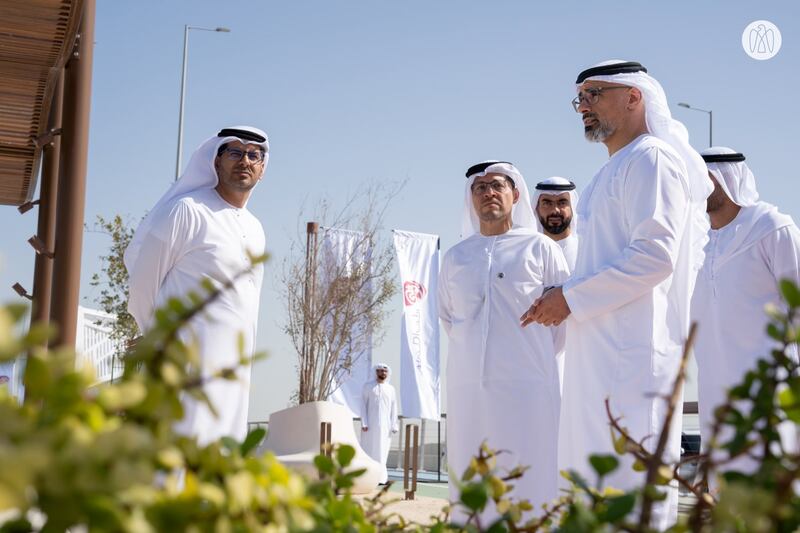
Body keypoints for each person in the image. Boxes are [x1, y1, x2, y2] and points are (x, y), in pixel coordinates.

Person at [522, 60, 712, 528]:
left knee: (631, 487)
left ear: (634, 97)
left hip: (631, 359)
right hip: (600, 355)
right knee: (592, 487)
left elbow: (654, 256)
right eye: (579, 98)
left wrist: (569, 298)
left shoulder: (652, 158)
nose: (583, 106)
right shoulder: (612, 170)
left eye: (595, 94)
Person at [439, 161, 569, 521]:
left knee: (529, 473)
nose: (488, 193)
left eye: (497, 185)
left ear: (516, 194)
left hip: (528, 388)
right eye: (479, 188)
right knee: (471, 473)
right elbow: (451, 319)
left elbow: (561, 325)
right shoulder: (455, 258)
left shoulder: (541, 249)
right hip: (468, 390)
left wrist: (524, 358)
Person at [124, 126, 269, 446]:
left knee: (220, 457)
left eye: (253, 155)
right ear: (215, 161)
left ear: (262, 168)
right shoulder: (187, 210)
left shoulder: (256, 229)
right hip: (183, 363)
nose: (244, 160)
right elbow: (143, 283)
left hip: (233, 369)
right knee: (176, 452)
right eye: (234, 152)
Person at [692, 147, 800, 485]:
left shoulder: (772, 228)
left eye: (706, 178)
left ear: (729, 178)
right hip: (715, 392)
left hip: (769, 389)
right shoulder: (697, 242)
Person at [360, 363, 399, 484]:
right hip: (369, 426)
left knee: (383, 451)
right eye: (380, 371)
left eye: (385, 371)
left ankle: (381, 478)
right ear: (376, 372)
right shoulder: (368, 387)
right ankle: (368, 477)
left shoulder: (391, 389)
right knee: (369, 450)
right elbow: (362, 405)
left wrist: (394, 425)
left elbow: (394, 408)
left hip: (385, 427)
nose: (383, 373)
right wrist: (364, 423)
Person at [532, 177, 579, 271]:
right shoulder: (529, 252)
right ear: (536, 209)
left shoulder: (585, 251)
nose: (555, 210)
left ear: (572, 208)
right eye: (547, 203)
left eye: (562, 203)